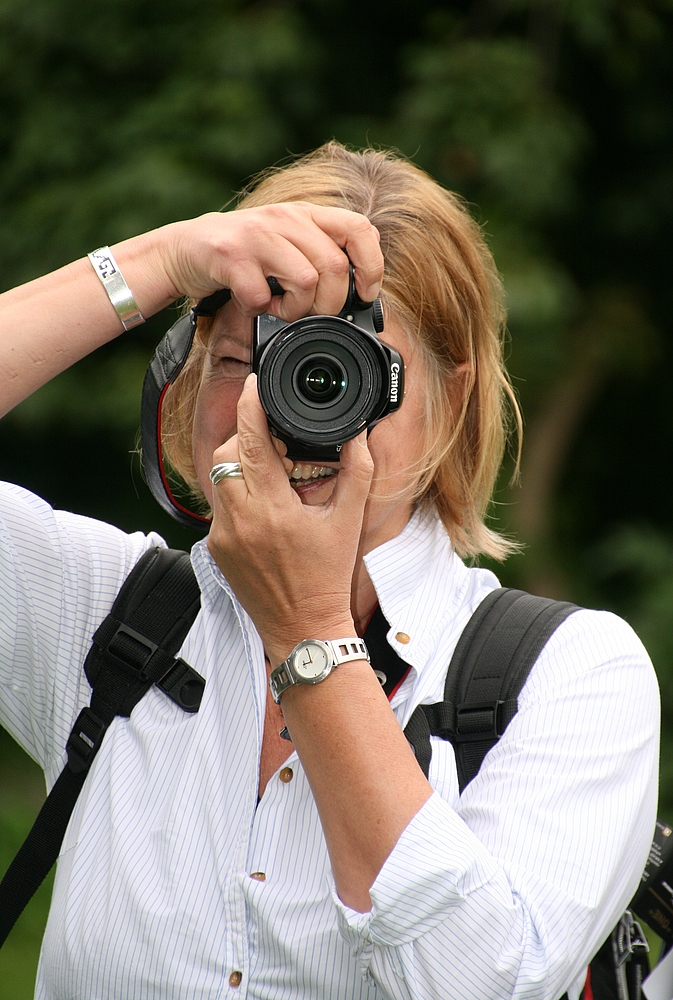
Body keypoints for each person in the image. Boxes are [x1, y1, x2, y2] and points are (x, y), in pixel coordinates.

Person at [0, 142, 659, 1000]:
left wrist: (308, 629)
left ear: (450, 401)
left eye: (342, 370)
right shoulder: (106, 614)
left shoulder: (568, 676)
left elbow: (479, 981)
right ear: (188, 381)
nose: (284, 411)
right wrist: (159, 259)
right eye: (241, 360)